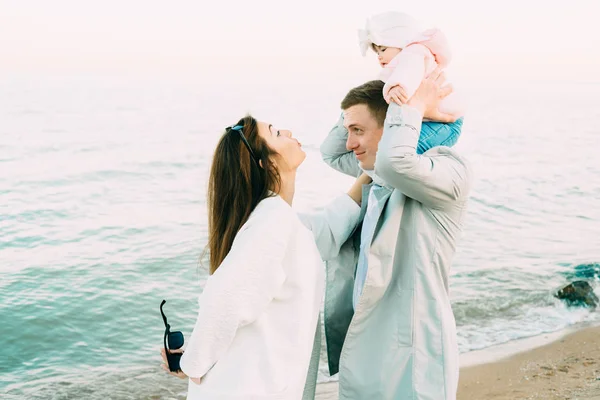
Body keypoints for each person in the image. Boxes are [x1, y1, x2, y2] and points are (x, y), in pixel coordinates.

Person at [159, 116, 370, 400]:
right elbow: (223, 298)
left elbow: (329, 227)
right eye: (277, 133)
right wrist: (194, 363)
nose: (289, 131)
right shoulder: (273, 220)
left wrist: (373, 171)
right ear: (268, 163)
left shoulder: (280, 220)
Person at [319, 69, 473, 399]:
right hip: (366, 343)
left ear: (392, 126)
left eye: (358, 130)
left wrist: (411, 107)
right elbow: (331, 152)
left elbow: (395, 161)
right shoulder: (375, 168)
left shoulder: (446, 169)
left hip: (413, 352)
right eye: (349, 130)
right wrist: (392, 80)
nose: (350, 142)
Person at [358, 11, 465, 145]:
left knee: (399, 150)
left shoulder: (413, 52)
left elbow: (409, 73)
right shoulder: (404, 62)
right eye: (377, 52)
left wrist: (397, 87)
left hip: (443, 124)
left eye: (383, 49)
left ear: (402, 44)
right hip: (431, 121)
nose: (379, 56)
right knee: (390, 148)